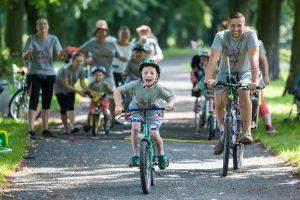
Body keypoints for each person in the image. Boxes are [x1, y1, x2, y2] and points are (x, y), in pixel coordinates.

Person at [205, 12, 259, 155]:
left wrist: (254, 81)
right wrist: (209, 79)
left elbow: (254, 59)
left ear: (244, 25)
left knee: (243, 91)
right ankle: (223, 135)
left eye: (239, 25)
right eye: (232, 26)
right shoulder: (221, 36)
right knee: (219, 98)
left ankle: (247, 131)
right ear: (228, 26)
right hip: (225, 72)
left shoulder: (250, 35)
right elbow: (213, 59)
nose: (236, 29)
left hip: (245, 71)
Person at [114, 58, 175, 169]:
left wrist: (170, 104)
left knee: (153, 134)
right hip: (136, 110)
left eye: (152, 73)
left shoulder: (158, 88)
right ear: (140, 75)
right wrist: (118, 105)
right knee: (135, 129)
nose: (149, 75)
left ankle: (161, 154)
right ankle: (136, 155)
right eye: (145, 72)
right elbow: (117, 90)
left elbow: (171, 96)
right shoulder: (135, 84)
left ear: (157, 76)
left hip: (154, 111)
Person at [23, 17, 63, 139]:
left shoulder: (53, 39)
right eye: (40, 24)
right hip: (34, 73)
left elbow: (58, 57)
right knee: (33, 102)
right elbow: (24, 57)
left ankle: (46, 129)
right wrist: (29, 52)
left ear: (48, 26)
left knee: (47, 102)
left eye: (45, 23)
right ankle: (31, 130)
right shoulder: (31, 39)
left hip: (49, 74)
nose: (43, 26)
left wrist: (61, 54)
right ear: (37, 27)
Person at [55, 52, 88, 134]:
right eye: (77, 61)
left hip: (71, 89)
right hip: (60, 90)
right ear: (72, 61)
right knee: (63, 109)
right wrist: (79, 92)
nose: (79, 63)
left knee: (70, 107)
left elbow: (82, 83)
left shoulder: (81, 70)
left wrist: (87, 90)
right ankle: (66, 128)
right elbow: (65, 84)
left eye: (81, 61)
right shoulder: (64, 69)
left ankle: (72, 127)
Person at [251, 40, 276, 133]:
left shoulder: (256, 42)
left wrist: (265, 75)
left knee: (259, 99)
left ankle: (268, 125)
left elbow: (263, 58)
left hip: (254, 74)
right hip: (239, 73)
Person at [83, 66, 113, 134]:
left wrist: (112, 91)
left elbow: (110, 90)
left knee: (106, 112)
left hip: (103, 100)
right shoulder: (91, 84)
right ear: (93, 75)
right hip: (94, 101)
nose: (98, 76)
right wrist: (86, 92)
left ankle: (107, 125)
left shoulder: (105, 84)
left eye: (100, 75)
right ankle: (89, 124)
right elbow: (87, 90)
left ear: (103, 76)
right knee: (91, 112)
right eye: (96, 75)